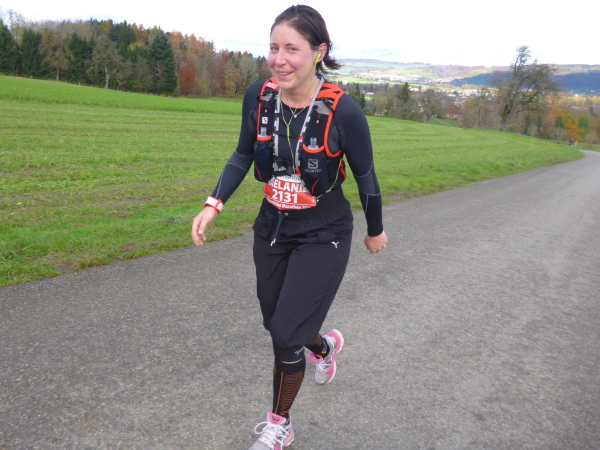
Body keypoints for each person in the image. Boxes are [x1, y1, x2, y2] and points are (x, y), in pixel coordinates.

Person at [191, 5, 388, 449]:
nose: (279, 60)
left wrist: (375, 230)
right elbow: (243, 154)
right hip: (272, 224)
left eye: (291, 49)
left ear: (319, 51)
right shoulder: (258, 97)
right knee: (277, 320)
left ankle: (280, 423)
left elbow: (366, 178)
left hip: (324, 230)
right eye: (273, 48)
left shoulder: (344, 112)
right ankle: (323, 348)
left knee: (285, 334)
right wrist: (213, 204)